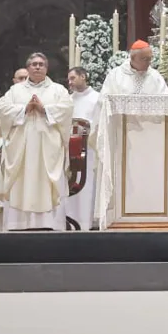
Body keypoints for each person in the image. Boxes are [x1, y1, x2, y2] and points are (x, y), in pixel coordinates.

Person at [0, 52, 74, 231]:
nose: (37, 67)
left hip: (48, 147)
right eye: (34, 64)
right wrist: (24, 109)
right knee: (22, 181)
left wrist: (45, 109)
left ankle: (50, 224)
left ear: (46, 68)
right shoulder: (15, 91)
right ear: (28, 68)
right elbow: (2, 109)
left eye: (41, 64)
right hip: (22, 148)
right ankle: (18, 224)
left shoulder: (58, 90)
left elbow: (67, 109)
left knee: (47, 181)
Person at [0, 65, 33, 231]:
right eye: (19, 78)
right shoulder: (5, 101)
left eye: (25, 78)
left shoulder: (37, 99)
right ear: (14, 81)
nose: (23, 81)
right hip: (7, 157)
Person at [66, 66, 100, 231]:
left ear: (84, 76)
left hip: (91, 149)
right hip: (71, 150)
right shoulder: (67, 100)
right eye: (69, 79)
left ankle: (88, 221)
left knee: (89, 186)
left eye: (73, 78)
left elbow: (100, 124)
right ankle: (71, 220)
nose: (70, 82)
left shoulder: (98, 99)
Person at [99, 41, 168, 98]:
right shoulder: (115, 75)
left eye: (150, 59)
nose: (149, 62)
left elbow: (167, 99)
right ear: (132, 58)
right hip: (123, 117)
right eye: (145, 59)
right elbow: (104, 100)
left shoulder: (155, 76)